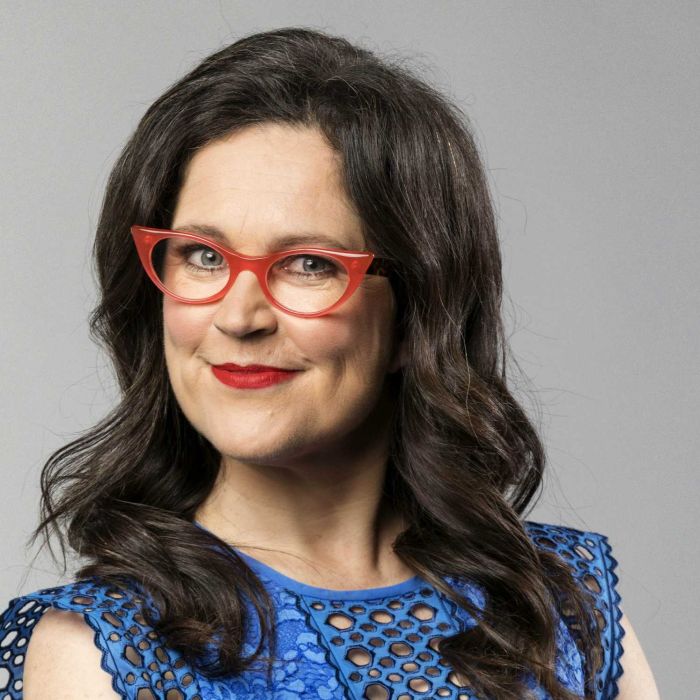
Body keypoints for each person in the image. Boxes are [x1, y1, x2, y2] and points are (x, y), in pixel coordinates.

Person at [0, 27, 659, 700]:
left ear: (417, 311)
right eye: (203, 256)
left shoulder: (564, 613)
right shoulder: (93, 657)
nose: (240, 316)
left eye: (309, 264)